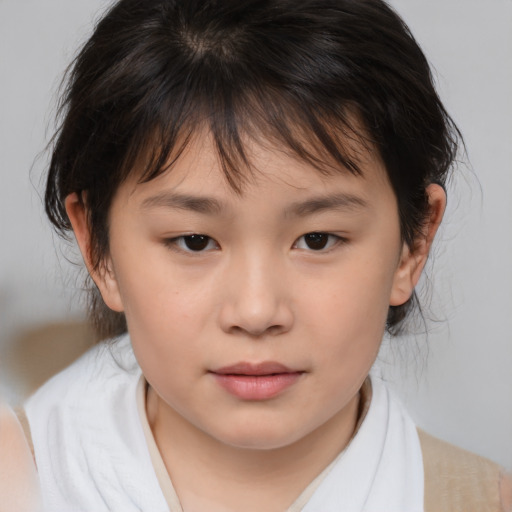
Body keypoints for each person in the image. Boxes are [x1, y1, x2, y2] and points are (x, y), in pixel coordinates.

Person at [20, 0, 511, 510]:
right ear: (98, 247)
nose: (256, 312)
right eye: (194, 241)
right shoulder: (27, 482)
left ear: (413, 244)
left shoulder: (480, 501)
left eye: (317, 240)